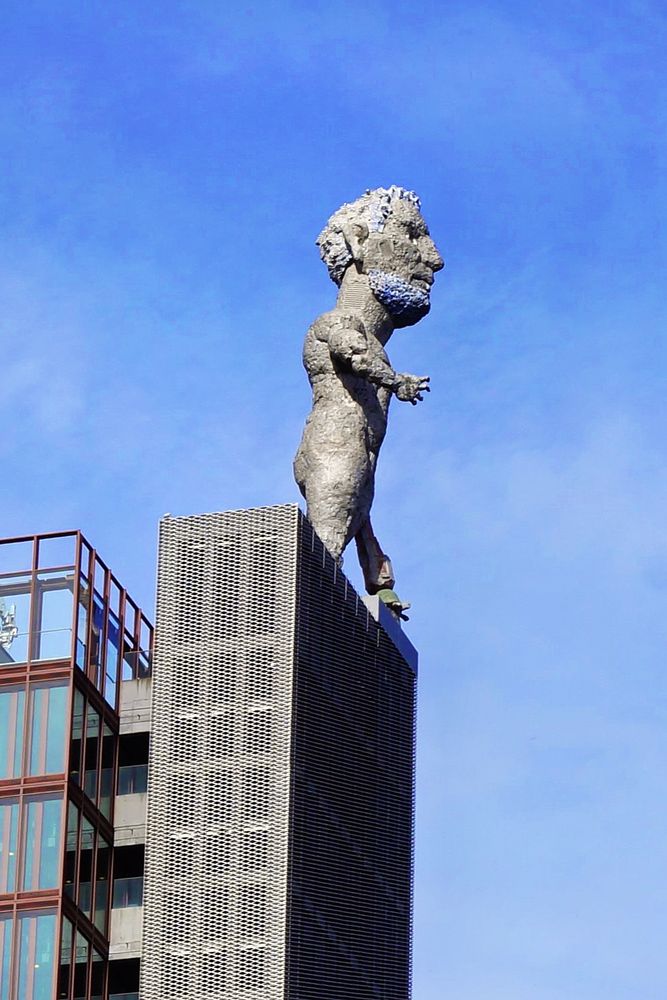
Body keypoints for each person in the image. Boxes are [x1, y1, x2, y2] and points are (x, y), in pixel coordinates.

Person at [294, 186, 444, 599]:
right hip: (334, 444)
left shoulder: (375, 343)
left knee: (349, 513)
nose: (433, 258)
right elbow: (351, 354)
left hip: (353, 454)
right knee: (319, 564)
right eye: (412, 235)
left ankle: (372, 575)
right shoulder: (338, 322)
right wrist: (397, 382)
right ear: (360, 243)